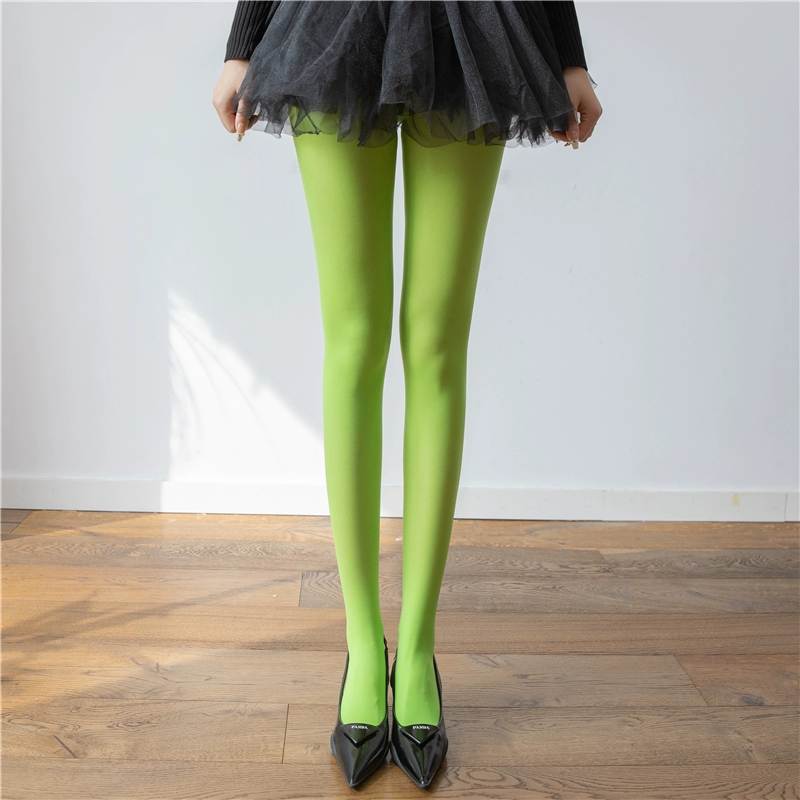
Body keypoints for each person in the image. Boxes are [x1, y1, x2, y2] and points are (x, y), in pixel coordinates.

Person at [212, 0, 602, 789]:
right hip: (334, 21)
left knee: (435, 345)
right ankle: (363, 644)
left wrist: (568, 54)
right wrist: (242, 42)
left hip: (471, 24)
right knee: (354, 340)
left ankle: (417, 647)